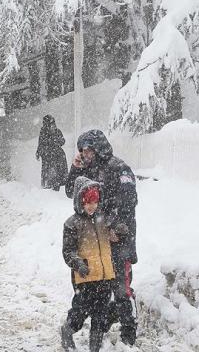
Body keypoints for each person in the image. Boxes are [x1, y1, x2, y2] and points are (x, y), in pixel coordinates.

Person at [65, 129, 138, 346]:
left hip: (118, 240)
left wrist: (117, 228)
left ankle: (128, 332)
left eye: (88, 150)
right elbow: (71, 191)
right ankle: (103, 321)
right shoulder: (86, 169)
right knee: (97, 286)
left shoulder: (119, 168)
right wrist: (75, 168)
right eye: (83, 151)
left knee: (121, 288)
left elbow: (129, 202)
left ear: (98, 148)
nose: (85, 154)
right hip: (95, 242)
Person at [61, 176, 117, 352]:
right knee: (80, 311)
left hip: (104, 276)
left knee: (100, 315)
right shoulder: (72, 223)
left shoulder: (104, 220)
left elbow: (113, 240)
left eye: (94, 201)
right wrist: (79, 264)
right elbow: (68, 251)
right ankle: (67, 330)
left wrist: (119, 233)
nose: (92, 206)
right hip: (85, 277)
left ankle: (95, 348)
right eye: (87, 202)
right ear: (80, 201)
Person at [36, 115, 68, 191]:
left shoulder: (57, 131)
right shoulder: (43, 133)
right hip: (48, 156)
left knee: (59, 170)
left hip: (58, 155)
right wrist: (38, 152)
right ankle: (48, 186)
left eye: (53, 123)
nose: (53, 125)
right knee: (50, 171)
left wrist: (56, 142)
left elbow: (62, 141)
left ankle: (58, 185)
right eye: (51, 123)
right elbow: (40, 143)